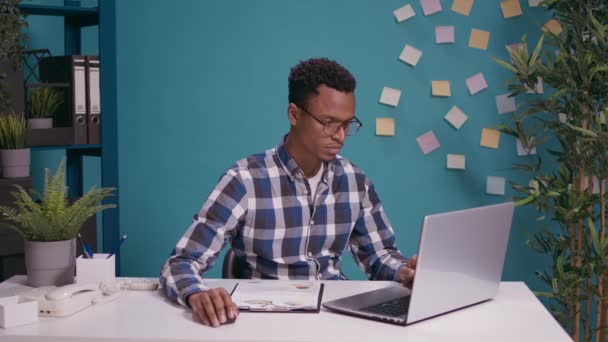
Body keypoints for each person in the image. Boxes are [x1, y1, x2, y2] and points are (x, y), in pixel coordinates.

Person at [160, 57, 417, 327]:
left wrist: (404, 271)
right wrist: (196, 293)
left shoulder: (355, 181)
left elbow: (378, 256)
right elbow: (181, 262)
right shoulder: (245, 180)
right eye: (329, 123)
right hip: (262, 321)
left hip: (334, 320)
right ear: (294, 114)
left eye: (346, 125)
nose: (340, 136)